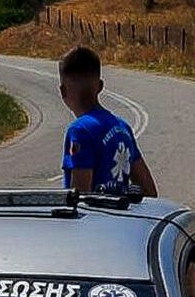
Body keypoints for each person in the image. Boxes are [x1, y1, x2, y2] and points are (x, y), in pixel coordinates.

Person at [59, 46, 158, 197]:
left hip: (94, 220)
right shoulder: (123, 128)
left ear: (63, 91)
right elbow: (149, 191)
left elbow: (80, 196)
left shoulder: (79, 131)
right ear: (100, 86)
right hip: (119, 218)